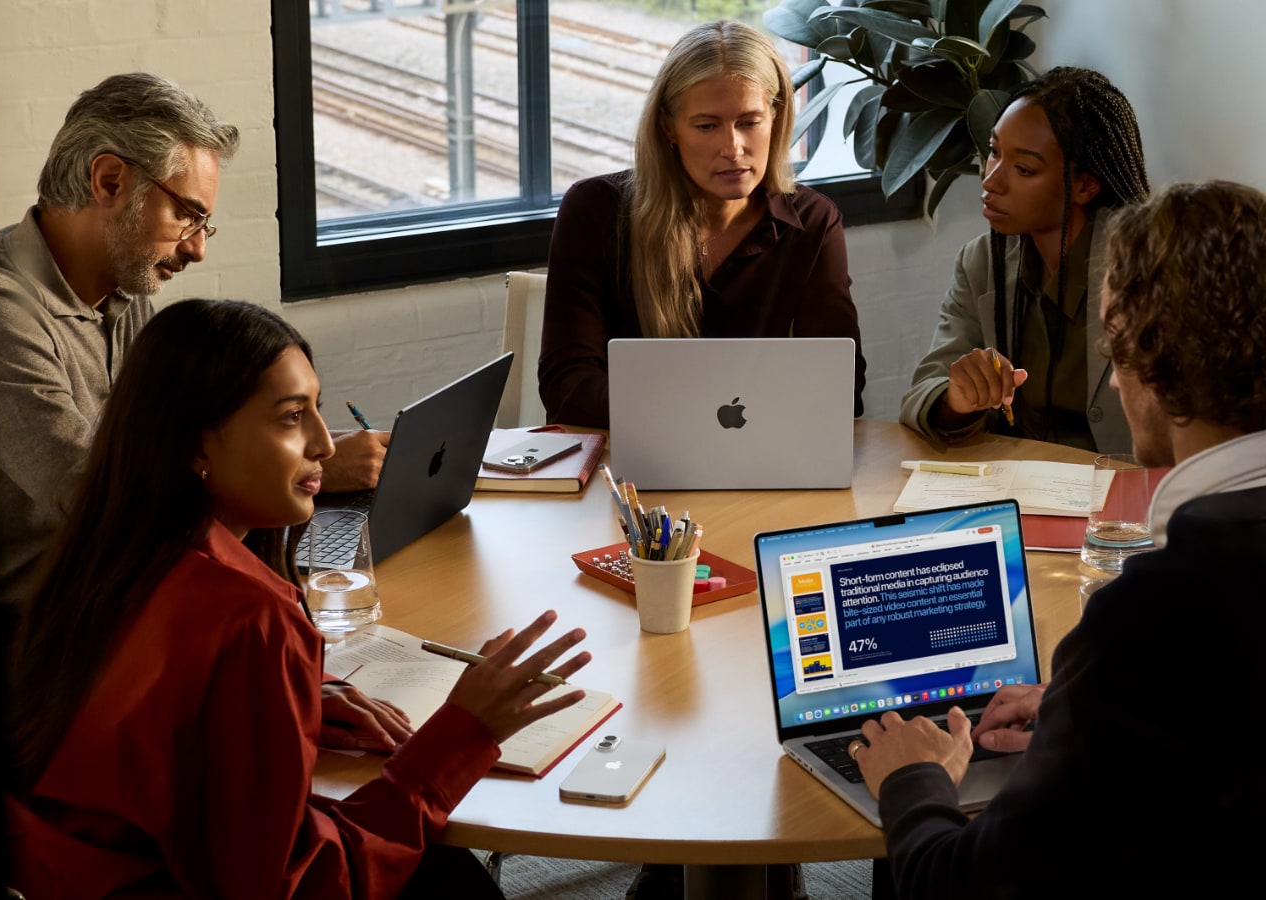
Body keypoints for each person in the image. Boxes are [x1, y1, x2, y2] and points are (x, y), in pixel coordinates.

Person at [3, 299, 593, 897]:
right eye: (290, 418)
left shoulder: (103, 556)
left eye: (316, 409)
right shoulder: (249, 620)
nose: (325, 445)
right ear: (196, 446)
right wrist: (466, 730)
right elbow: (300, 886)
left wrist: (304, 693)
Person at [852, 180, 1266, 896]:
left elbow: (962, 885)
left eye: (1115, 352)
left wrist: (913, 779)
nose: (1110, 387)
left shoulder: (1154, 609)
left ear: (1152, 362)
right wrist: (1078, 700)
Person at [0, 72, 388, 620]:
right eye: (187, 214)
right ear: (108, 181)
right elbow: (96, 496)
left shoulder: (121, 289)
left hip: (141, 591)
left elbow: (168, 444)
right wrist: (299, 469)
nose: (197, 248)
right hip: (54, 640)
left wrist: (290, 440)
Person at [538, 19, 866, 429]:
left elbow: (841, 387)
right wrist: (703, 417)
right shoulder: (596, 210)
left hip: (759, 459)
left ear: (776, 118)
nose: (733, 148)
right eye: (707, 126)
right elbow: (566, 388)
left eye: (749, 122)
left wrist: (678, 409)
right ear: (668, 128)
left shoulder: (813, 220)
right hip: (628, 466)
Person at [899, 66, 1150, 452]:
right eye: (994, 152)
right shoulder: (982, 262)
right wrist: (956, 399)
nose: (990, 180)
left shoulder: (1146, 269)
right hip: (1015, 492)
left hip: (1122, 498)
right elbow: (922, 395)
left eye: (1023, 169)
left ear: (1084, 185)